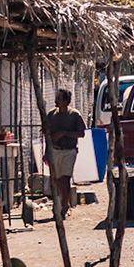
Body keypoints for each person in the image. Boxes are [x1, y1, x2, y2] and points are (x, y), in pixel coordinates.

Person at [40, 88, 88, 224]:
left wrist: (64, 133)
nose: (56, 101)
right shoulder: (52, 115)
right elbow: (48, 136)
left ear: (66, 101)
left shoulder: (74, 115)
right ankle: (61, 203)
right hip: (55, 151)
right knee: (55, 179)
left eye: (59, 99)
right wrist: (46, 153)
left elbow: (81, 133)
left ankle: (63, 207)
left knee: (65, 179)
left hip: (69, 151)